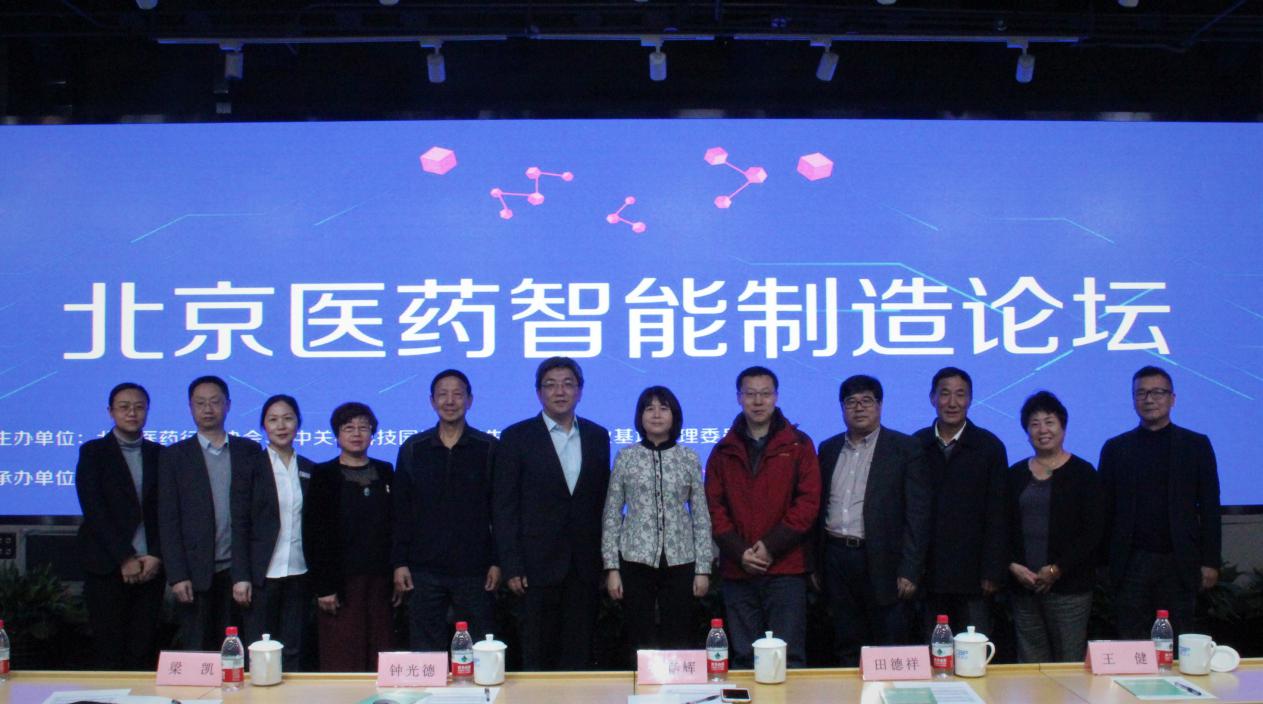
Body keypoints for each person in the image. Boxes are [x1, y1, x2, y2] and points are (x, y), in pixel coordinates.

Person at [493, 356, 611, 671]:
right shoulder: (516, 437)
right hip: (535, 567)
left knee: (579, 654)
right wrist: (512, 564)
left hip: (584, 566)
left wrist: (606, 562)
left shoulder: (598, 436)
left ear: (580, 391)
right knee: (537, 654)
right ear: (538, 393)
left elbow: (604, 503)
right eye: (551, 385)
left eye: (568, 384)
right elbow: (505, 507)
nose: (560, 392)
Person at [705, 366, 819, 669]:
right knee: (744, 658)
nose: (758, 401)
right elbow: (714, 508)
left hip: (785, 568)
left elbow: (808, 504)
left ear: (776, 397)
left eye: (765, 394)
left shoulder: (799, 444)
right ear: (739, 398)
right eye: (750, 394)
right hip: (738, 570)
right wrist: (740, 552)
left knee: (788, 657)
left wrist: (770, 547)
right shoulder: (723, 450)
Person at [1099, 366, 1221, 641]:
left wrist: (1211, 561)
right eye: (1141, 393)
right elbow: (1105, 510)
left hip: (1179, 561)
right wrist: (1104, 564)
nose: (1149, 399)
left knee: (1178, 642)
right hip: (1131, 561)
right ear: (1133, 399)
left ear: (1172, 398)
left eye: (1157, 392)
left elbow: (1210, 508)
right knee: (1132, 641)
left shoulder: (1196, 445)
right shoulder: (1116, 448)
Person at [816, 374, 930, 667]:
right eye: (851, 402)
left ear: (880, 406)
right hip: (836, 556)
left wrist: (910, 569)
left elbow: (917, 514)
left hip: (883, 559)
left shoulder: (904, 448)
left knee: (888, 645)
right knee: (845, 641)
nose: (859, 408)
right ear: (842, 408)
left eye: (867, 401)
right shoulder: (828, 449)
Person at [602, 386, 713, 659]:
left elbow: (700, 515)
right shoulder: (626, 457)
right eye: (649, 408)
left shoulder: (688, 457)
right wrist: (612, 568)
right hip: (635, 559)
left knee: (679, 636)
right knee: (639, 637)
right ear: (640, 416)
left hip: (681, 560)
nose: (656, 414)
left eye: (664, 408)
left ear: (674, 416)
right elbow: (612, 514)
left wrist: (703, 569)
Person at [393, 370, 500, 651]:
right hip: (424, 569)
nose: (450, 401)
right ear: (432, 401)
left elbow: (500, 510)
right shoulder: (414, 448)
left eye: (457, 394)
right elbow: (401, 511)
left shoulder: (488, 448)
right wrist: (399, 562)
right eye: (442, 394)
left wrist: (497, 561)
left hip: (475, 569)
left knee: (478, 649)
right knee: (426, 652)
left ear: (470, 400)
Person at [159, 376, 262, 651]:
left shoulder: (249, 451)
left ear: (228, 405)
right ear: (190, 407)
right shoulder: (174, 456)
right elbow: (168, 520)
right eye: (200, 403)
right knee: (198, 650)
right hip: (194, 574)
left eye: (215, 402)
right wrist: (177, 575)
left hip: (239, 571)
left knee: (237, 650)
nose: (208, 409)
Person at [1007, 391, 1103, 663]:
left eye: (1049, 422)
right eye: (1034, 424)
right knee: (1030, 664)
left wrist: (1056, 569)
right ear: (1026, 431)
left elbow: (1093, 532)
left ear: (1063, 427)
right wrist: (1012, 566)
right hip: (1024, 586)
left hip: (1070, 588)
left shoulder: (1084, 474)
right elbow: (1001, 527)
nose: (1043, 430)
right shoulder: (1014, 474)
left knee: (1068, 662)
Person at [913, 367, 1008, 637]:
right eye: (945, 394)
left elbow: (998, 514)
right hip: (928, 574)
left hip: (974, 576)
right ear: (932, 398)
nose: (952, 402)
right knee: (933, 650)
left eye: (960, 394)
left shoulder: (989, 447)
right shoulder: (916, 445)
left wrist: (992, 571)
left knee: (974, 649)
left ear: (970, 399)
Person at [75, 382, 164, 670]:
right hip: (107, 566)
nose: (132, 413)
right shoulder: (93, 452)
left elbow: (168, 511)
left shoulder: (160, 454)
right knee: (109, 650)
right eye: (124, 407)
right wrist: (125, 557)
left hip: (150, 567)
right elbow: (94, 510)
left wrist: (157, 554)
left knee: (143, 650)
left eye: (139, 407)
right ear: (110, 411)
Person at [304, 402, 396, 672]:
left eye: (363, 427)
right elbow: (315, 533)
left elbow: (397, 523)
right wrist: (324, 587)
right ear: (337, 434)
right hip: (340, 583)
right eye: (348, 427)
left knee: (381, 654)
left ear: (372, 433)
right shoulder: (323, 474)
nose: (357, 433)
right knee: (343, 656)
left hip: (380, 580)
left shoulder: (386, 471)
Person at [231, 394, 313, 671]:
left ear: (298, 423)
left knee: (294, 648)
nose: (281, 426)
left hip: (299, 572)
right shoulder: (250, 467)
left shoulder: (309, 468)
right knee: (260, 648)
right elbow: (240, 524)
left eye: (288, 418)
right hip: (261, 575)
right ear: (263, 425)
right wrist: (241, 576)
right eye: (273, 419)